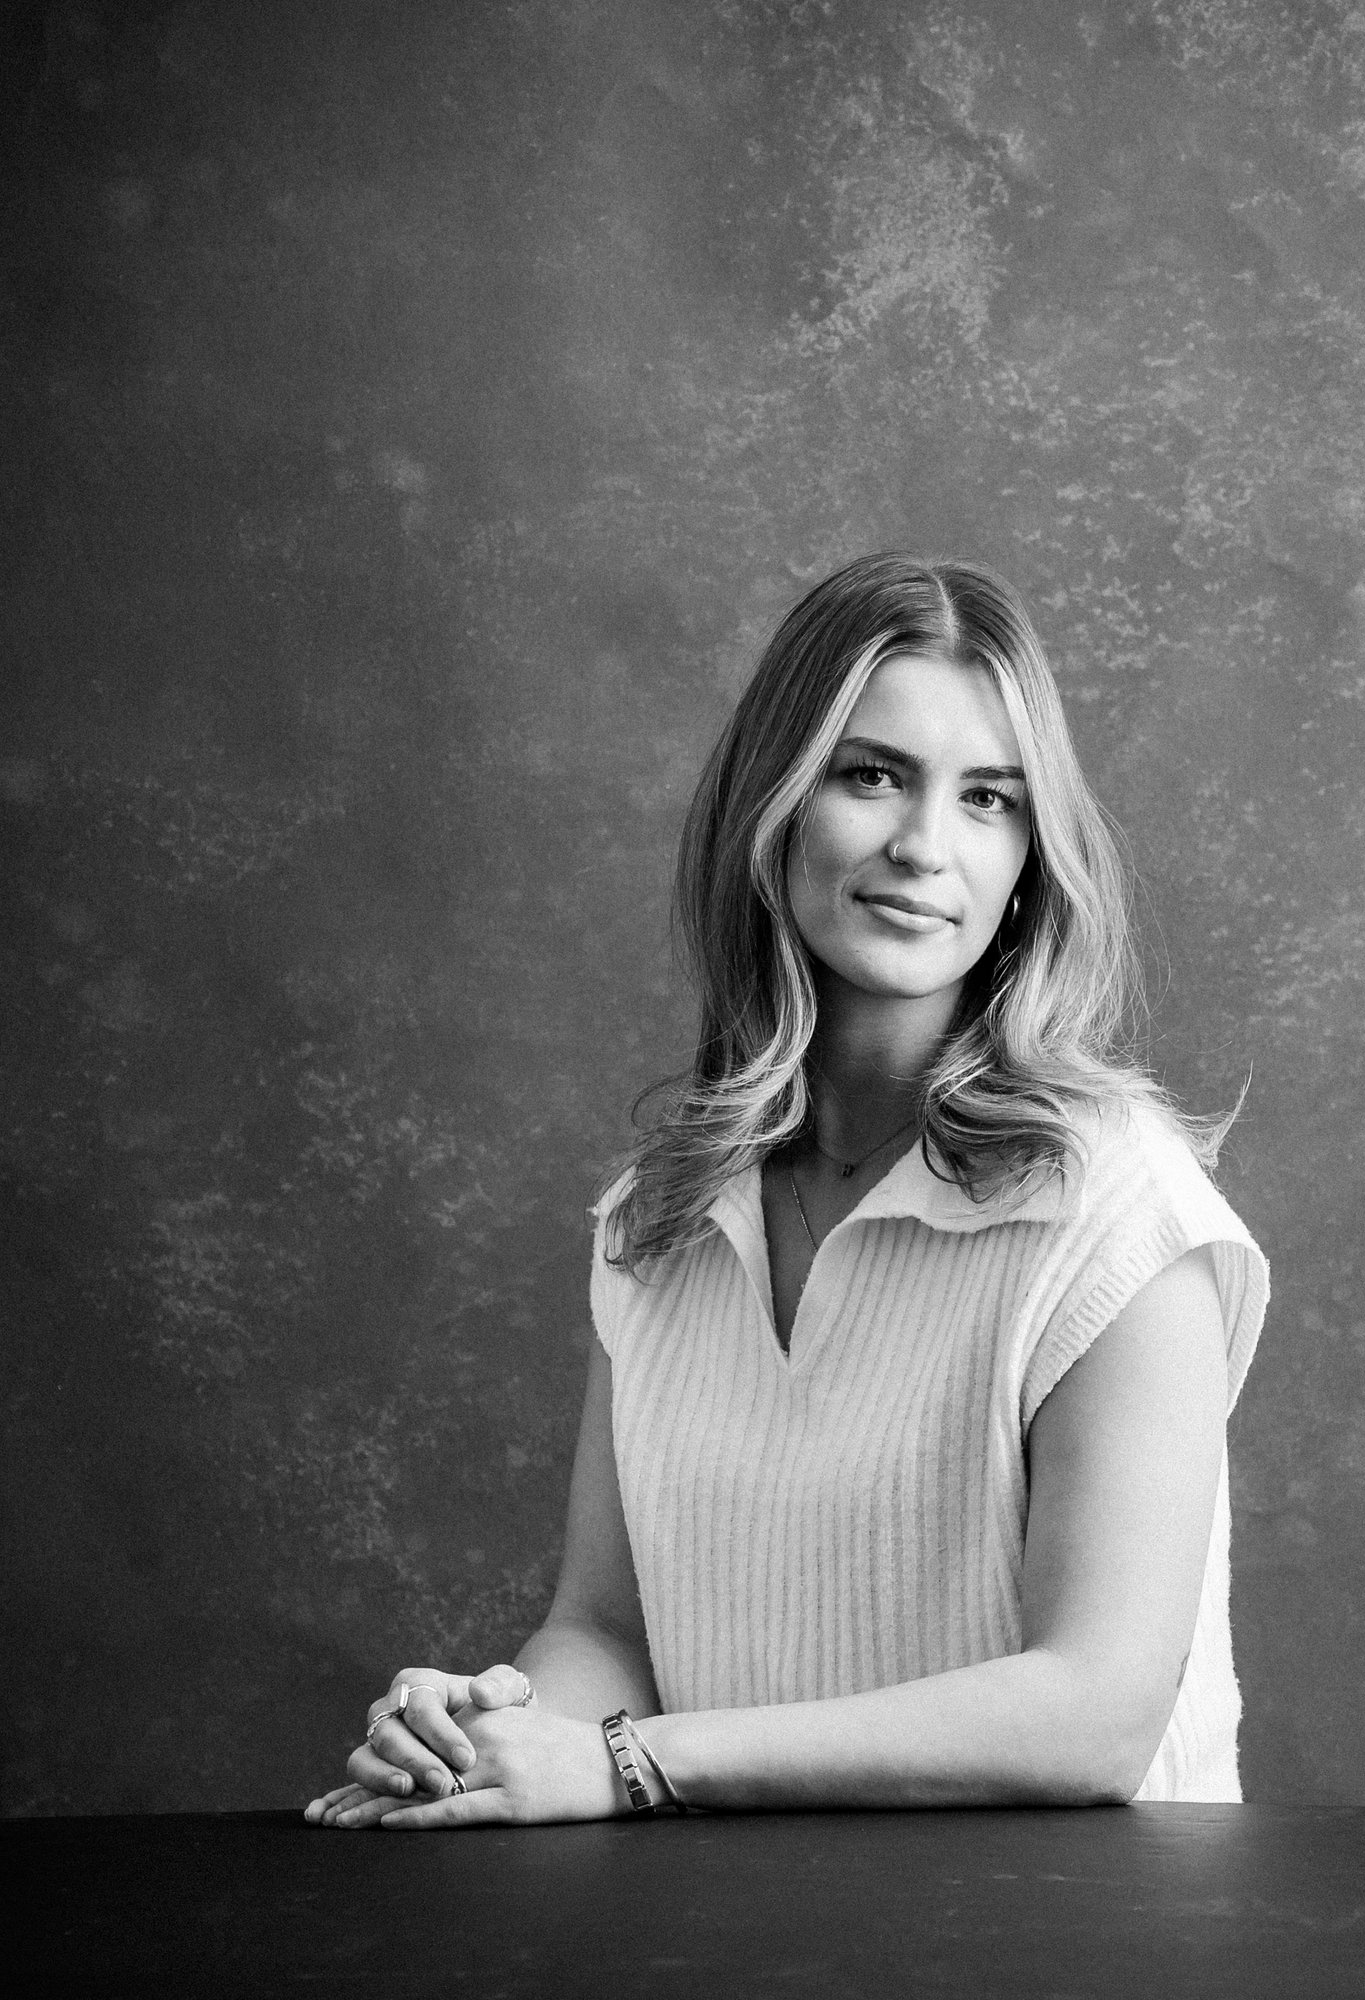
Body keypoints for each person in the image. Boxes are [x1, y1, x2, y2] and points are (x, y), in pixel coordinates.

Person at [305, 554, 1268, 1826]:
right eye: (872, 774)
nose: (926, 846)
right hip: (742, 1938)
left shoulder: (1113, 1204)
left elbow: (1093, 1711)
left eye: (989, 798)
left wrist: (628, 1764)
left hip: (1064, 1944)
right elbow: (606, 1628)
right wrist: (485, 1729)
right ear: (775, 800)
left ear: (1033, 854)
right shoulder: (661, 1215)